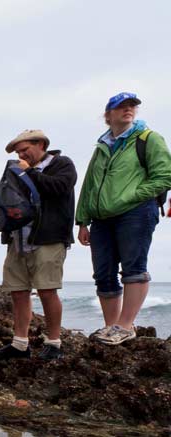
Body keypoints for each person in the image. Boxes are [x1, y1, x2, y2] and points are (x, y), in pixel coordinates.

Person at [75, 92, 171, 345]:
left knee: (133, 268)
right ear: (108, 115)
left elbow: (164, 176)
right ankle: (111, 327)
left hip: (136, 212)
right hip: (101, 218)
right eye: (121, 107)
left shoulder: (148, 138)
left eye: (132, 106)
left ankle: (126, 326)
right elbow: (89, 185)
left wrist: (133, 196)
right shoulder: (102, 146)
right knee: (103, 274)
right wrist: (82, 220)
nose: (128, 109)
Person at [0, 130, 77, 361]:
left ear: (41, 144)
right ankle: (19, 344)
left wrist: (28, 172)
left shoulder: (62, 164)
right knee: (18, 292)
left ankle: (54, 342)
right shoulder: (16, 169)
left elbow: (58, 188)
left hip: (49, 237)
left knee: (47, 290)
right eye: (18, 152)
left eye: (24, 149)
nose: (21, 155)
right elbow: (6, 197)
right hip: (18, 238)